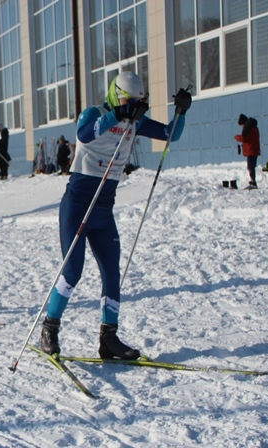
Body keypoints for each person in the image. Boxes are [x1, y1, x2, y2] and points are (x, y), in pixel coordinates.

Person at [39, 71, 191, 359]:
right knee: (72, 272)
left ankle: (108, 338)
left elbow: (171, 134)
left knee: (111, 271)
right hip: (77, 205)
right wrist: (118, 113)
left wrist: (181, 111)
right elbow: (85, 133)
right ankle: (49, 329)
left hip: (103, 209)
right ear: (113, 94)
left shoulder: (136, 123)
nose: (131, 106)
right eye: (125, 100)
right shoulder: (95, 114)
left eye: (136, 101)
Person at [234, 114, 260, 189]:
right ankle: (253, 181)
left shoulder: (247, 127)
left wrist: (236, 137)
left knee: (251, 166)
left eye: (241, 125)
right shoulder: (254, 126)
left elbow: (244, 138)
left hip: (250, 149)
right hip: (254, 148)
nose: (242, 127)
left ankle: (253, 182)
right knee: (252, 166)